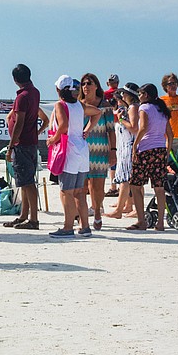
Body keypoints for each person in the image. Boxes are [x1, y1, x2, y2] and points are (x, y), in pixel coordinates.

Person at [47, 75, 101, 238]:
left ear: (59, 90)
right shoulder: (80, 105)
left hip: (69, 149)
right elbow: (97, 112)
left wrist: (52, 139)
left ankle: (67, 226)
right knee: (79, 192)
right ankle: (85, 226)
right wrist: (87, 130)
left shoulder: (60, 105)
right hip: (83, 149)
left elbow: (63, 126)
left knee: (66, 191)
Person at [128, 83, 173, 231]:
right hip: (160, 150)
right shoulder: (162, 110)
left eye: (140, 94)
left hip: (146, 149)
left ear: (146, 95)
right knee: (159, 188)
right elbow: (170, 134)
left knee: (136, 185)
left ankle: (141, 221)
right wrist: (167, 151)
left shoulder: (144, 108)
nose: (139, 97)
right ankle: (160, 223)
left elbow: (143, 128)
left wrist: (135, 145)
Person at [3, 64, 42, 230]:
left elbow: (19, 122)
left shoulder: (22, 97)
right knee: (25, 181)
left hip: (22, 144)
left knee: (28, 183)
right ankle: (25, 215)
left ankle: (33, 219)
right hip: (30, 142)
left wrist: (11, 146)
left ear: (15, 80)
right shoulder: (34, 92)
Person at [78, 73, 116, 231]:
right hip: (81, 149)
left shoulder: (105, 105)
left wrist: (113, 150)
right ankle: (83, 218)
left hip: (100, 149)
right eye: (83, 83)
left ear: (96, 86)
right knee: (81, 186)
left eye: (89, 83)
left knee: (97, 186)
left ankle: (98, 212)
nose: (85, 86)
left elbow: (111, 131)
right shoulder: (78, 105)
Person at [105, 83, 140, 218]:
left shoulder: (133, 108)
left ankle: (120, 209)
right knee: (130, 180)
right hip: (125, 146)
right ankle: (128, 206)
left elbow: (133, 127)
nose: (121, 96)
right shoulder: (130, 107)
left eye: (123, 94)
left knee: (126, 179)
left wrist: (121, 120)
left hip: (129, 146)